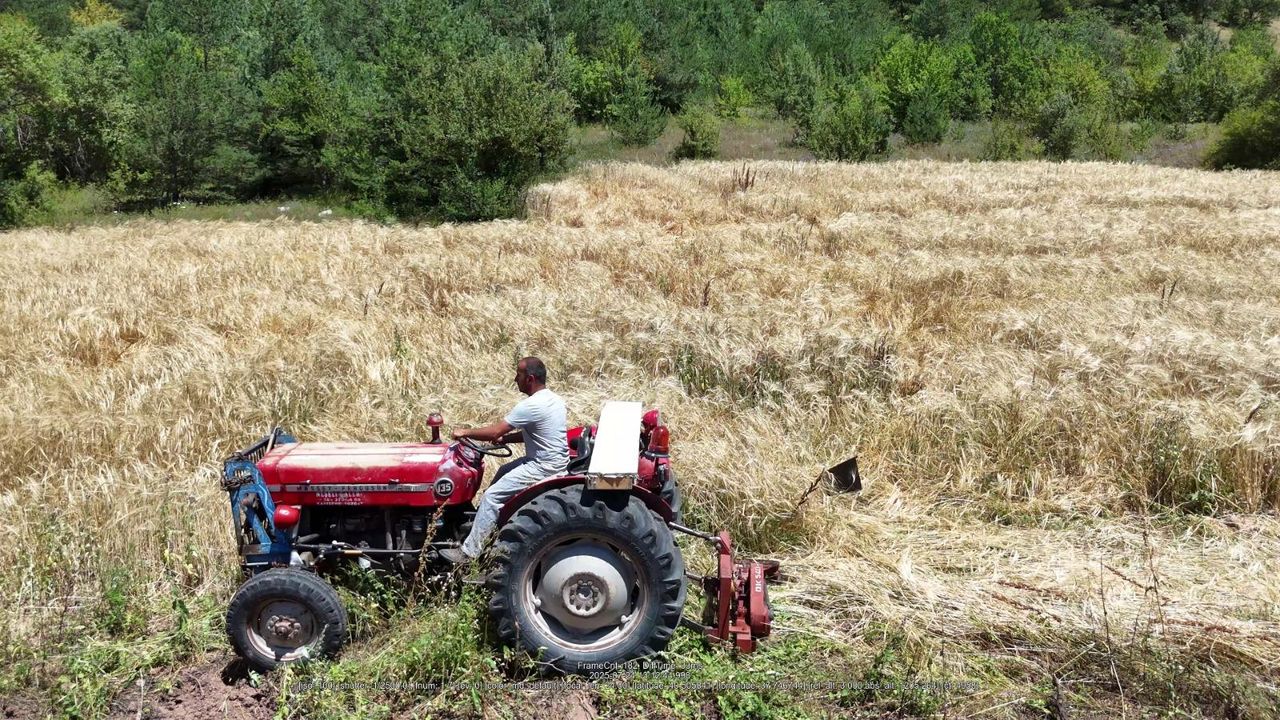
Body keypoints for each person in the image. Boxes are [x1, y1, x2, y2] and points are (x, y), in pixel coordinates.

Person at [438, 356, 568, 564]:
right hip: (553, 461)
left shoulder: (531, 405)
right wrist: (506, 439)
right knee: (502, 472)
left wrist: (465, 432)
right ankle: (481, 526)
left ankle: (469, 553)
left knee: (491, 496)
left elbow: (494, 431)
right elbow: (538, 433)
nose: (515, 378)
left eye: (519, 374)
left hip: (543, 466)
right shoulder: (555, 400)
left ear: (530, 378)